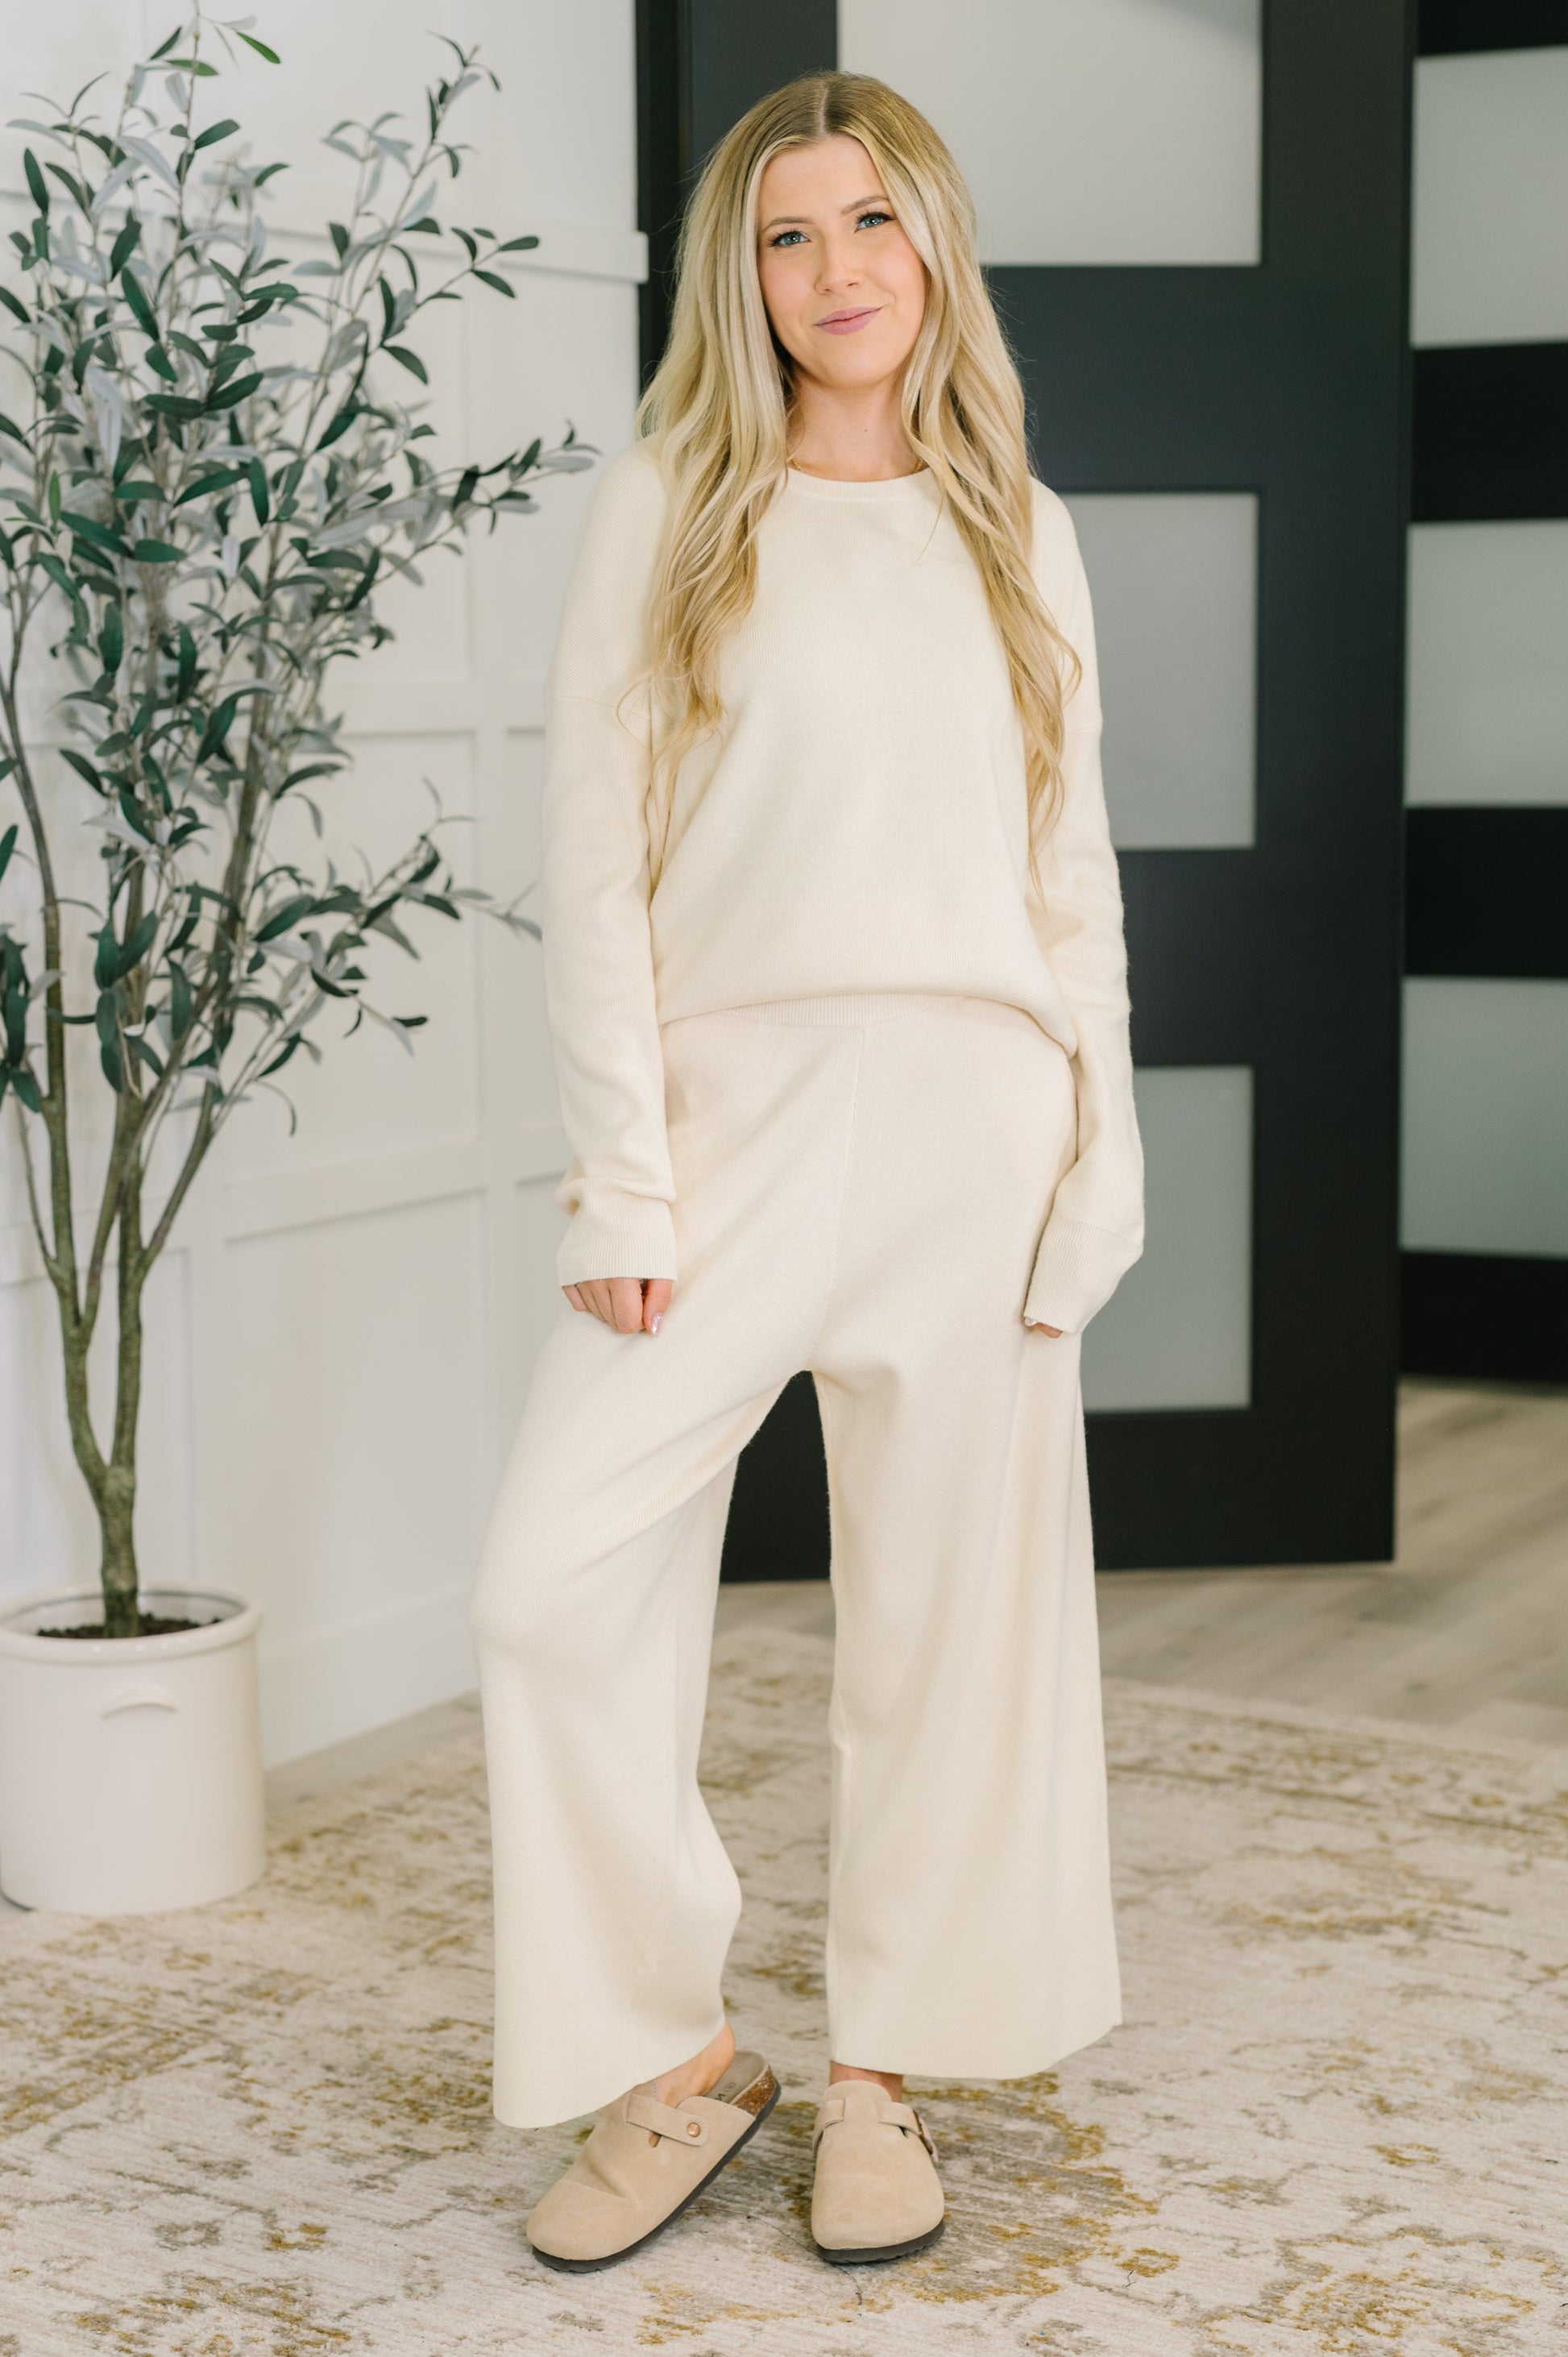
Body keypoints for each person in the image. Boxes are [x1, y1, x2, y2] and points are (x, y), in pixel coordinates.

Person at [467, 68, 1144, 2276]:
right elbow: (594, 868)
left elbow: (1071, 877)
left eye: (871, 222)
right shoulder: (670, 500)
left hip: (977, 1128)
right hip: (735, 1125)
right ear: (732, 278)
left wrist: (1094, 1164)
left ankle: (879, 2077)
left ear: (933, 245)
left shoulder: (1012, 520)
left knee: (954, 1628)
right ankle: (675, 2064)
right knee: (548, 1584)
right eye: (783, 235)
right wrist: (621, 1181)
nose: (833, 271)